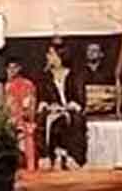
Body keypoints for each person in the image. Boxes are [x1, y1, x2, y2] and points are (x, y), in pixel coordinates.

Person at [36, 39, 87, 169]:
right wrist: (46, 104)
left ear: (60, 57)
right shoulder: (46, 76)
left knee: (74, 119)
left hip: (70, 108)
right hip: (54, 109)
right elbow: (43, 97)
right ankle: (46, 156)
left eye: (51, 54)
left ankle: (73, 157)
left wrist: (69, 106)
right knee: (43, 118)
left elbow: (79, 98)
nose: (48, 57)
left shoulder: (74, 75)